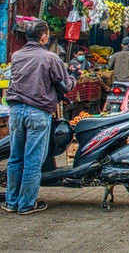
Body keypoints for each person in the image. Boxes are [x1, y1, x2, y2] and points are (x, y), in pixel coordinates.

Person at [3, 20, 76, 214]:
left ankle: (12, 202)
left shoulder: (16, 56)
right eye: (48, 33)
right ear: (43, 37)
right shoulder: (50, 57)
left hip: (17, 111)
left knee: (15, 158)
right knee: (32, 160)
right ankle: (26, 204)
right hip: (38, 112)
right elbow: (65, 85)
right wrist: (73, 78)